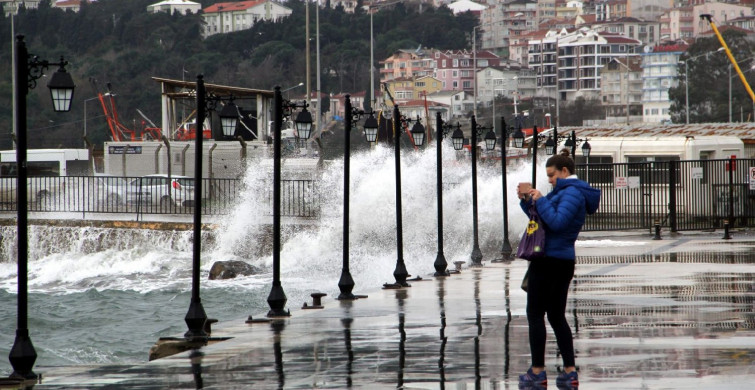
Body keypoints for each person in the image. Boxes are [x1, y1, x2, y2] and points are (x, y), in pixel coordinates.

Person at [516, 149, 601, 388]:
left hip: (549, 261)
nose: (550, 180)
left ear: (565, 171)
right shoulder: (564, 192)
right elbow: (542, 218)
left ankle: (537, 372)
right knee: (555, 316)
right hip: (560, 262)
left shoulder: (572, 193)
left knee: (535, 314)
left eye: (552, 175)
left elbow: (557, 222)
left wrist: (541, 199)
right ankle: (569, 372)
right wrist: (528, 201)